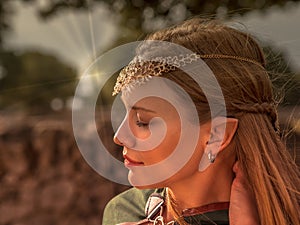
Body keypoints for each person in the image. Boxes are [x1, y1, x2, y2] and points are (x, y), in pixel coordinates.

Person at [102, 18, 300, 225]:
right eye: (124, 115)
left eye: (142, 121)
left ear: (217, 135)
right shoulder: (123, 210)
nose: (119, 136)